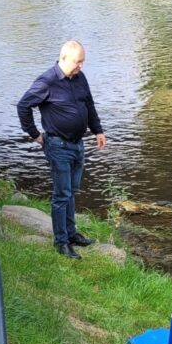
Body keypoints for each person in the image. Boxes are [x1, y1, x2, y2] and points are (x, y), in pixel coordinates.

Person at [17, 40, 107, 259]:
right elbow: (23, 106)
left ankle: (72, 232)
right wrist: (35, 135)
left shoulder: (80, 78)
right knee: (61, 194)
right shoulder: (47, 81)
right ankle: (61, 242)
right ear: (64, 58)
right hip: (58, 145)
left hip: (78, 144)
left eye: (83, 61)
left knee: (71, 191)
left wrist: (98, 130)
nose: (81, 66)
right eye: (78, 62)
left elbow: (89, 105)